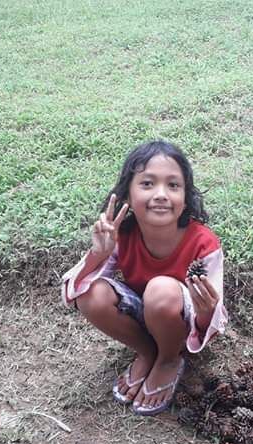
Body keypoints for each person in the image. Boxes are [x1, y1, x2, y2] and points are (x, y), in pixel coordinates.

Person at [61, 140, 228, 416]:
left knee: (160, 290)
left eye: (173, 185)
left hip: (181, 320)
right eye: (148, 184)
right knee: (92, 296)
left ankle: (167, 359)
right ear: (127, 194)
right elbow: (74, 290)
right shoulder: (121, 234)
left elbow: (214, 316)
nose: (161, 194)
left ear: (185, 198)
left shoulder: (204, 244)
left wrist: (206, 310)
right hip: (144, 313)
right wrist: (98, 254)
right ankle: (147, 351)